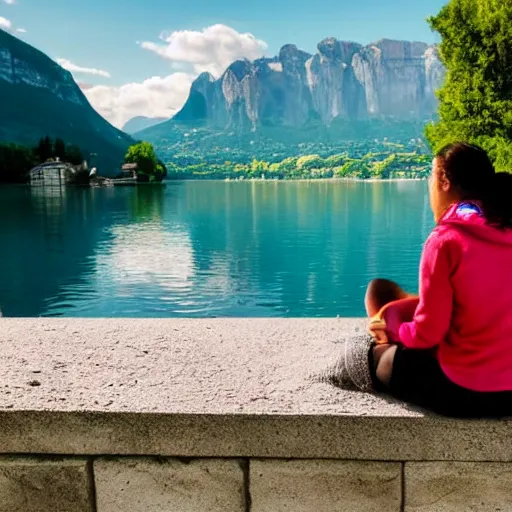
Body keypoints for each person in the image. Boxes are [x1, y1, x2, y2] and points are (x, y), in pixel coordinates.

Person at [365, 142, 512, 417]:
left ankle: (382, 343)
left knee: (376, 358)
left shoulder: (445, 240)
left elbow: (427, 335)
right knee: (381, 291)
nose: (430, 184)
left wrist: (392, 330)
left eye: (431, 176)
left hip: (465, 393)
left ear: (444, 180)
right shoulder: (506, 223)